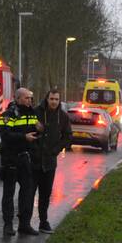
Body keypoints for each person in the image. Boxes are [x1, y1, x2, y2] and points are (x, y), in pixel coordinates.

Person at [0, 87, 42, 235]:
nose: (30, 100)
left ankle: (24, 224)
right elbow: (5, 135)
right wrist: (24, 137)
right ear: (17, 99)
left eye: (31, 98)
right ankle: (8, 225)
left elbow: (36, 134)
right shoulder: (8, 115)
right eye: (26, 98)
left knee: (27, 192)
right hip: (11, 158)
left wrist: (41, 130)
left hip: (25, 158)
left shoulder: (32, 114)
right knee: (9, 193)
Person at [34, 87, 72, 233]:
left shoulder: (62, 117)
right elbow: (26, 128)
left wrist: (56, 150)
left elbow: (68, 137)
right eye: (51, 99)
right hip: (34, 160)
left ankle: (43, 222)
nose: (54, 102)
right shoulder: (37, 112)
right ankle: (24, 223)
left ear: (59, 100)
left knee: (45, 193)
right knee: (29, 193)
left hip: (49, 162)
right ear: (47, 99)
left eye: (56, 99)